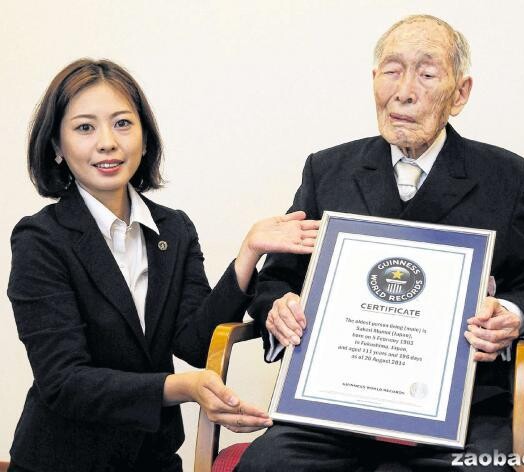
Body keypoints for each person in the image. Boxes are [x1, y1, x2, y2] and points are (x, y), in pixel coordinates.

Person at [236, 14, 524, 472]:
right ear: (374, 80)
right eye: (392, 71)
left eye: (427, 74)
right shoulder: (328, 170)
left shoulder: (512, 180)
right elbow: (277, 279)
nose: (404, 91)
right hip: (331, 413)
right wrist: (279, 308)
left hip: (462, 416)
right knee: (267, 465)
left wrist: (511, 316)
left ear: (460, 94)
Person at [7, 58, 319, 472]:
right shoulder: (40, 239)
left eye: (122, 123)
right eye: (85, 128)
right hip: (63, 462)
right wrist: (184, 387)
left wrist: (248, 253)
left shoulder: (173, 228)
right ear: (57, 148)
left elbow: (194, 343)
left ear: (145, 137)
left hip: (152, 459)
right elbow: (64, 382)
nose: (107, 142)